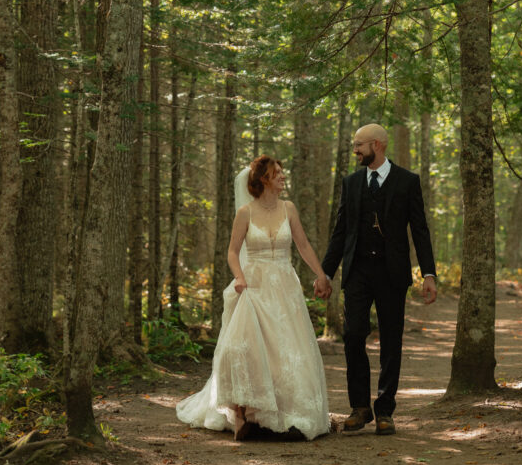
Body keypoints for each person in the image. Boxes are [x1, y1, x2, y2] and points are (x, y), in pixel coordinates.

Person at [175, 155, 330, 441]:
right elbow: (233, 252)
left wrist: (321, 274)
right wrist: (240, 277)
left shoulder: (289, 208)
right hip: (254, 285)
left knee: (287, 350)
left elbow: (303, 245)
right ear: (263, 179)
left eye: (283, 172)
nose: (283, 177)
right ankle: (244, 413)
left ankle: (285, 414)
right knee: (246, 347)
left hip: (284, 287)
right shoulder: (245, 212)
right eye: (277, 173)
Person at [316, 123, 436, 436]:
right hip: (357, 272)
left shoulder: (408, 182)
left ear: (377, 145)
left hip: (392, 273)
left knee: (391, 342)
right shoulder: (351, 182)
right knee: (354, 335)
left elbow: (419, 230)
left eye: (359, 145)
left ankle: (385, 410)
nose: (355, 150)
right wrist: (325, 273)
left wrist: (428, 273)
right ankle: (360, 407)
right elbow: (341, 232)